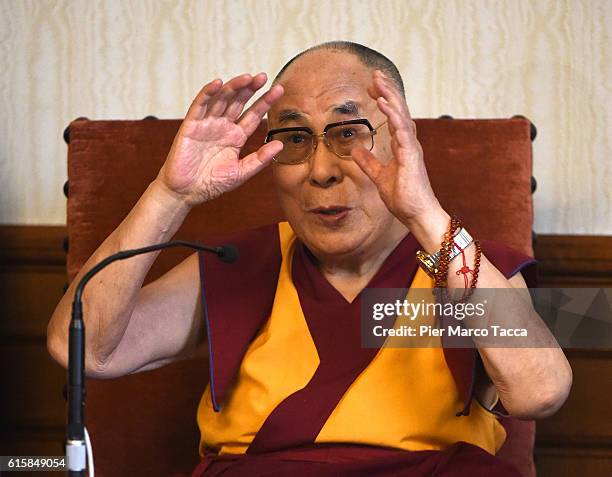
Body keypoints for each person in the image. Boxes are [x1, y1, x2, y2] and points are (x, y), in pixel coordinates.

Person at [48, 41, 572, 476]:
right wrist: (171, 193)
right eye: (295, 139)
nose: (320, 169)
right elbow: (86, 351)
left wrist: (426, 215)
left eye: (348, 134)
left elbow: (540, 393)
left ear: (401, 141)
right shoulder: (241, 264)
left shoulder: (463, 267)